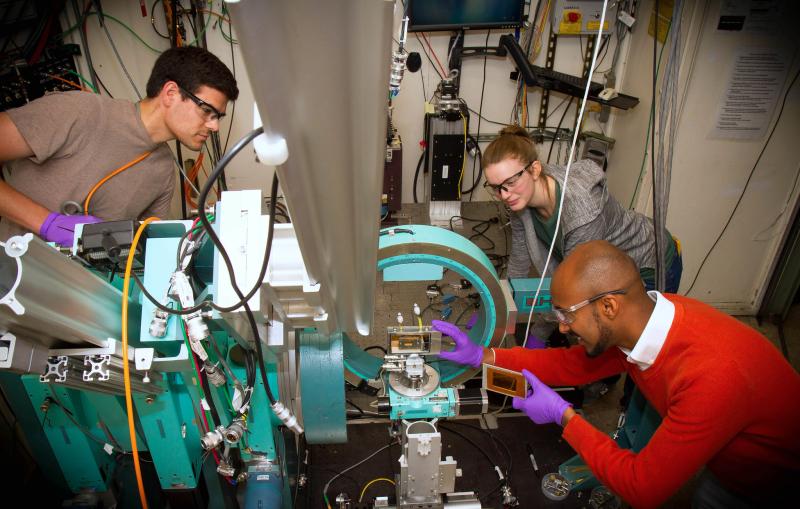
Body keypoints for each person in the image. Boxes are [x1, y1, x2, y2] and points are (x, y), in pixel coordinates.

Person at [434, 241, 800, 508]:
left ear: (608, 306)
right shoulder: (648, 318)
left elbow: (643, 487)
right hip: (725, 464)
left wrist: (564, 416)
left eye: (566, 315)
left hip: (770, 483)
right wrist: (483, 355)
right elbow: (573, 366)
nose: (562, 329)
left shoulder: (712, 377)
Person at [0, 46, 238, 247]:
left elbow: (143, 251)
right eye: (207, 111)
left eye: (218, 117)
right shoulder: (78, 112)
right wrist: (46, 223)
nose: (214, 126)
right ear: (171, 93)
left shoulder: (163, 173)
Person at [483, 125, 681, 292]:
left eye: (510, 182)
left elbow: (575, 288)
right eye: (496, 187)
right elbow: (519, 259)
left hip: (649, 263)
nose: (504, 195)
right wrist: (500, 309)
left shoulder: (582, 215)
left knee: (633, 337)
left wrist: (538, 334)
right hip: (601, 268)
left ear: (535, 170)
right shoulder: (521, 196)